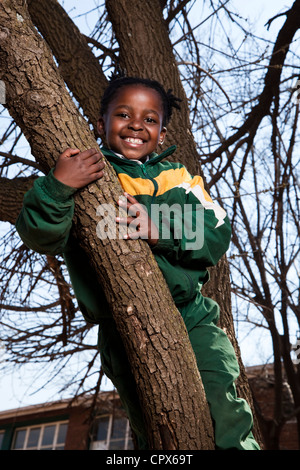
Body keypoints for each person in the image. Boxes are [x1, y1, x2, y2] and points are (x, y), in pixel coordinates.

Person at [16, 75, 260, 450]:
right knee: (154, 423)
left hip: (192, 315)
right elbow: (40, 235)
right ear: (100, 124)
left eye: (149, 119)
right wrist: (58, 187)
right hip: (120, 328)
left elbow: (216, 232)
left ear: (162, 134)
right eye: (123, 114)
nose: (135, 125)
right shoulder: (87, 177)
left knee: (225, 407)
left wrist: (158, 226)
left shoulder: (179, 180)